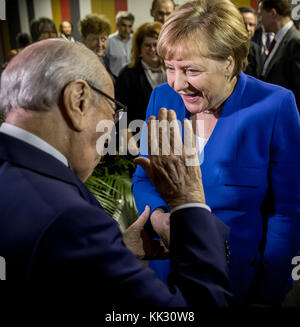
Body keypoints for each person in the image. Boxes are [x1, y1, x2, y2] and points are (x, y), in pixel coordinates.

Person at [0, 39, 232, 307]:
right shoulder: (70, 220)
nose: (111, 132)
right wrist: (189, 200)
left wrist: (111, 251)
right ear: (78, 100)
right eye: (112, 111)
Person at [132, 0, 300, 306]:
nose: (178, 83)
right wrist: (158, 218)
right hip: (167, 279)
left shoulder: (276, 106)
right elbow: (144, 176)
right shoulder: (161, 97)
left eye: (191, 70)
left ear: (229, 62)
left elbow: (288, 213)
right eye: (170, 67)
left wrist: (268, 293)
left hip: (238, 284)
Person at [115, 22, 167, 152]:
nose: (152, 49)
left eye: (156, 44)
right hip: (138, 141)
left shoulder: (172, 71)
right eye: (147, 45)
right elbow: (120, 111)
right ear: (139, 49)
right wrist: (129, 141)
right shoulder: (128, 74)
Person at [259, 0, 300, 111]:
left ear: (272, 13)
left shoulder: (296, 42)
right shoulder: (278, 40)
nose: (260, 20)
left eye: (261, 14)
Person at [79, 13, 112, 78]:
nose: (100, 44)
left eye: (103, 39)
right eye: (94, 39)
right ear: (83, 39)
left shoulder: (103, 60)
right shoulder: (79, 66)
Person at [105, 11, 135, 79]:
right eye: (124, 25)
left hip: (133, 79)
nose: (126, 29)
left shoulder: (135, 40)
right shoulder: (109, 41)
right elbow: (104, 63)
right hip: (115, 79)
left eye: (129, 26)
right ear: (117, 25)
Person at [239, 6, 262, 78]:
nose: (248, 28)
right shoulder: (226, 48)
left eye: (251, 25)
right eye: (243, 24)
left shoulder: (256, 49)